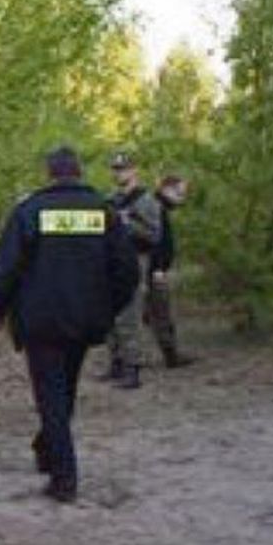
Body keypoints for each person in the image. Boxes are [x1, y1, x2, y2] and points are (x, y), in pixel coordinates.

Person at [0, 147, 139, 503]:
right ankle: (47, 448)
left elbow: (5, 269)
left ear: (49, 174)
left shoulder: (30, 211)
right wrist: (107, 307)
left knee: (52, 396)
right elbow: (128, 271)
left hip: (41, 321)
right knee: (63, 391)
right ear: (79, 173)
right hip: (84, 320)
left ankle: (64, 479)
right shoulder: (104, 211)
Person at [102, 151, 162, 389]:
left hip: (135, 261)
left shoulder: (146, 200)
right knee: (110, 316)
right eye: (116, 169)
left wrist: (127, 223)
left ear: (135, 170)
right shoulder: (110, 199)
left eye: (124, 168)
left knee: (130, 316)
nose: (119, 173)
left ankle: (133, 369)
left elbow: (154, 236)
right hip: (111, 263)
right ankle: (116, 363)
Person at [147, 174, 195, 369]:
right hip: (152, 271)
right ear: (166, 189)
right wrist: (158, 267)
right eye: (179, 193)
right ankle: (171, 356)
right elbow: (156, 241)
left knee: (156, 313)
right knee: (160, 312)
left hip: (151, 270)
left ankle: (170, 354)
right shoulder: (155, 208)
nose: (181, 198)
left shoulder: (158, 207)